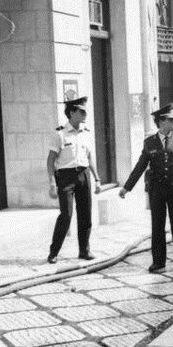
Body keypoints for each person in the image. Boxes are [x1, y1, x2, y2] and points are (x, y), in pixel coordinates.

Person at [119, 103, 173, 273]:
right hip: (156, 190)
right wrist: (126, 188)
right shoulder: (149, 142)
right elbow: (140, 166)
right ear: (161, 122)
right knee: (157, 225)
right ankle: (158, 262)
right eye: (171, 120)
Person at [46, 97, 102, 264]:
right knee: (67, 214)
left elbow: (90, 157)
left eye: (85, 111)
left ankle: (84, 251)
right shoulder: (60, 134)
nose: (85, 114)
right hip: (66, 177)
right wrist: (52, 183)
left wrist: (97, 178)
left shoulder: (86, 133)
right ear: (71, 113)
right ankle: (53, 252)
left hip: (84, 175)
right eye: (81, 111)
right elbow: (50, 160)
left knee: (86, 214)